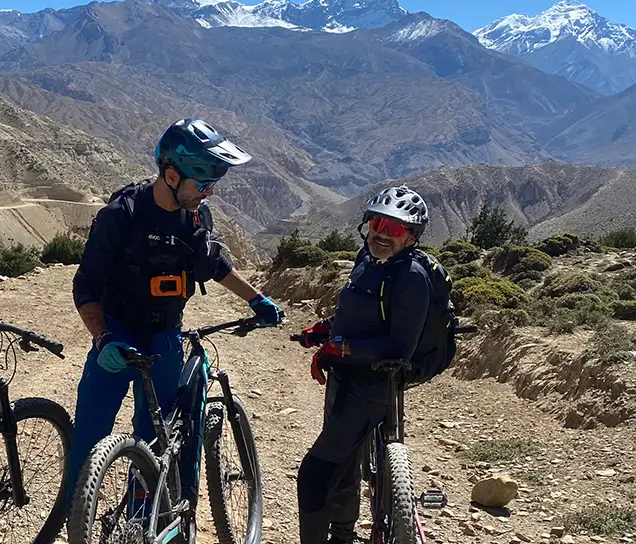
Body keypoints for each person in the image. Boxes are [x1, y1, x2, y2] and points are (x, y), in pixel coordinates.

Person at [65, 118, 286, 514]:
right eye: (202, 184)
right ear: (171, 175)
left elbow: (214, 264)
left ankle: (138, 526)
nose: (209, 193)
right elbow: (86, 287)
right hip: (116, 336)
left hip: (166, 339)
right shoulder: (122, 214)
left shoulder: (197, 218)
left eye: (212, 185)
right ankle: (74, 520)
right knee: (88, 441)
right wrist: (102, 339)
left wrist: (258, 300)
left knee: (155, 445)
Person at [294, 185, 434, 544]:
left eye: (394, 229)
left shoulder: (411, 277)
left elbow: (399, 346)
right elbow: (356, 312)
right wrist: (325, 332)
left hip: (372, 386)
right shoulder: (366, 259)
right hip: (345, 376)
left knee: (314, 474)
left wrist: (339, 348)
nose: (381, 234)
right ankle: (342, 536)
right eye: (376, 223)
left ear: (411, 237)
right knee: (344, 467)